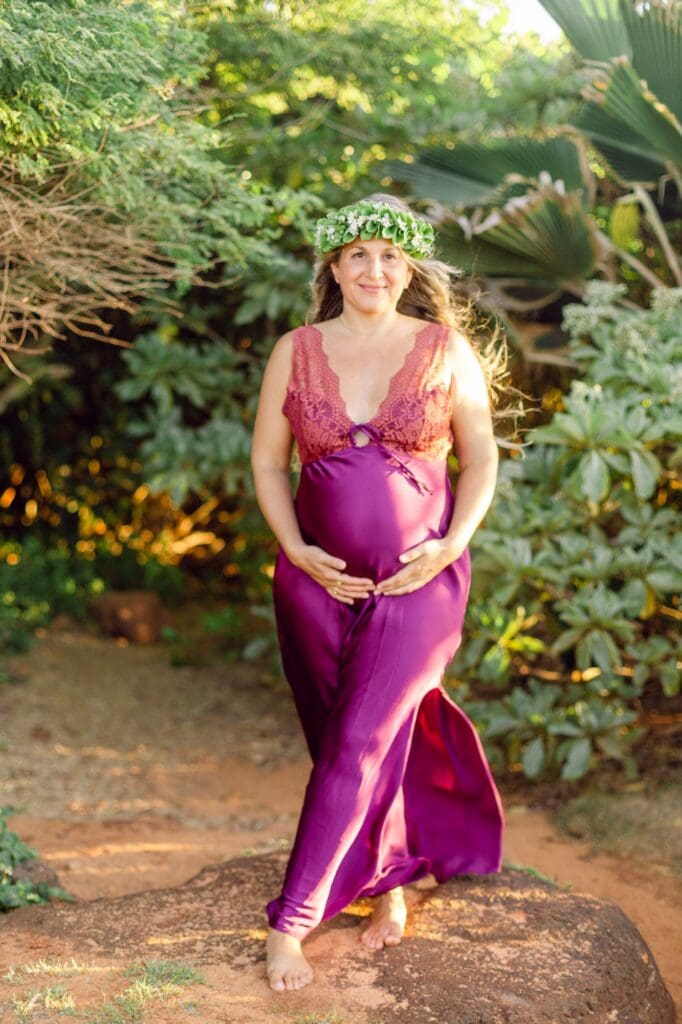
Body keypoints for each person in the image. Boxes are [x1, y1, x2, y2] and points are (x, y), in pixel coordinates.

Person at [250, 193, 506, 993]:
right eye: (359, 253)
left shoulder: (445, 349)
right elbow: (266, 462)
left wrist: (449, 547)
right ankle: (389, 877)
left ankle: (291, 922)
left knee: (362, 737)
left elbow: (482, 458)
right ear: (333, 266)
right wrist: (296, 548)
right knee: (343, 739)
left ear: (410, 267)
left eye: (391, 255)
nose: (375, 268)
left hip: (419, 581)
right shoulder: (296, 349)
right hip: (313, 580)